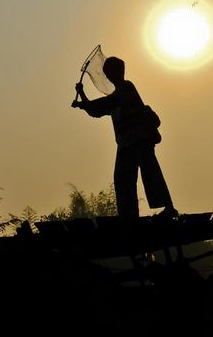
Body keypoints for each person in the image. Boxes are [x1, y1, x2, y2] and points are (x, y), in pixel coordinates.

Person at [73, 56, 177, 220]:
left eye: (110, 71)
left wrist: (85, 102)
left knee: (150, 175)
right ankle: (130, 216)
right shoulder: (116, 97)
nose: (108, 75)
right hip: (126, 144)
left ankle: (167, 208)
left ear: (119, 71)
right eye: (106, 72)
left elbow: (105, 104)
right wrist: (83, 97)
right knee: (124, 180)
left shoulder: (126, 88)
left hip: (139, 141)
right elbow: (97, 111)